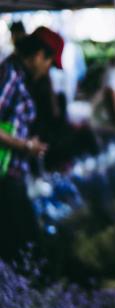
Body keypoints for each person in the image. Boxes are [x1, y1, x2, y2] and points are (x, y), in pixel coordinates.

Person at [0, 26, 63, 261]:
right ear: (38, 55)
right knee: (24, 246)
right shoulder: (10, 74)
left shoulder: (18, 74)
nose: (48, 70)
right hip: (6, 179)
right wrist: (25, 145)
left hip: (12, 175)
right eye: (49, 62)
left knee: (19, 245)